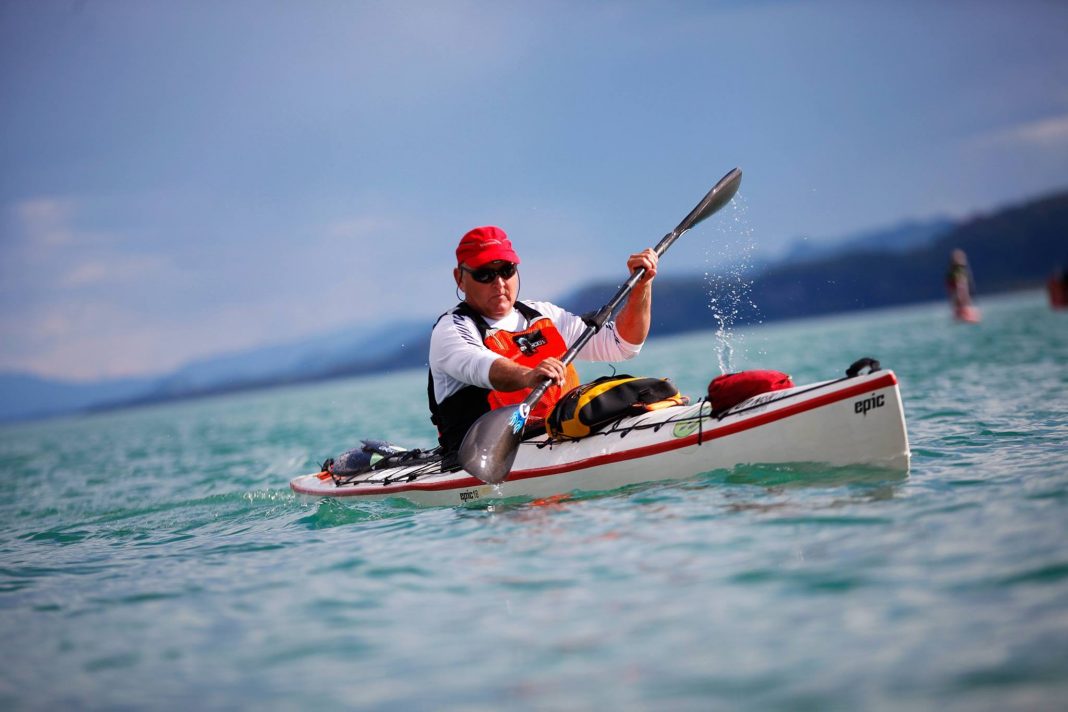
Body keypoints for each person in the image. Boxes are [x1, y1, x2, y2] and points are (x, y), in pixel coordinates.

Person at [428, 225, 657, 462]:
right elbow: (481, 366)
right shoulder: (451, 330)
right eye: (484, 274)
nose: (499, 283)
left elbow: (622, 344)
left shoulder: (543, 313)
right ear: (460, 278)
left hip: (562, 434)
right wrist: (528, 375)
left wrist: (641, 288)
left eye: (506, 270)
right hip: (486, 457)